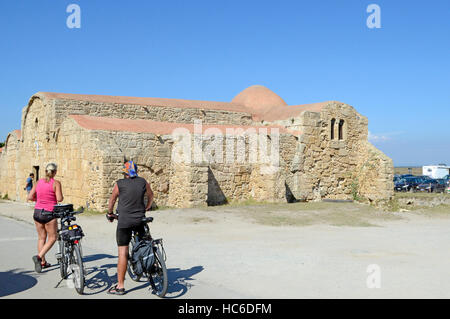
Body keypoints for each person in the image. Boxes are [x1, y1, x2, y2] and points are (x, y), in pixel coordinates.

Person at [106, 160, 154, 295]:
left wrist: (110, 213)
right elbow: (150, 195)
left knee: (123, 253)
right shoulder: (143, 182)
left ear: (125, 172)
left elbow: (112, 200)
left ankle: (120, 286)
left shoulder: (119, 184)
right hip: (140, 219)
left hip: (124, 221)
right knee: (146, 241)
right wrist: (147, 207)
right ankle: (153, 265)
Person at [27, 163, 64, 273]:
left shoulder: (38, 182)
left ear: (45, 171)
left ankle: (43, 262)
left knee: (41, 237)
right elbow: (59, 198)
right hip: (49, 213)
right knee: (52, 237)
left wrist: (38, 200)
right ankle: (39, 257)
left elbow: (30, 197)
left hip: (37, 212)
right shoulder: (56, 183)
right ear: (55, 172)